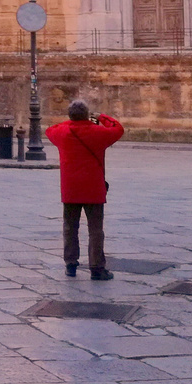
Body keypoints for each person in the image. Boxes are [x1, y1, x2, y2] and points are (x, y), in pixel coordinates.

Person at [46, 100, 123, 280]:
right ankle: (97, 267)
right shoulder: (98, 132)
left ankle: (70, 264)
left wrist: (72, 121)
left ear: (70, 115)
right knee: (96, 229)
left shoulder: (62, 132)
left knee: (69, 227)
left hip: (70, 188)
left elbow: (50, 129)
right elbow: (118, 128)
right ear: (87, 114)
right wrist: (99, 118)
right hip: (93, 188)